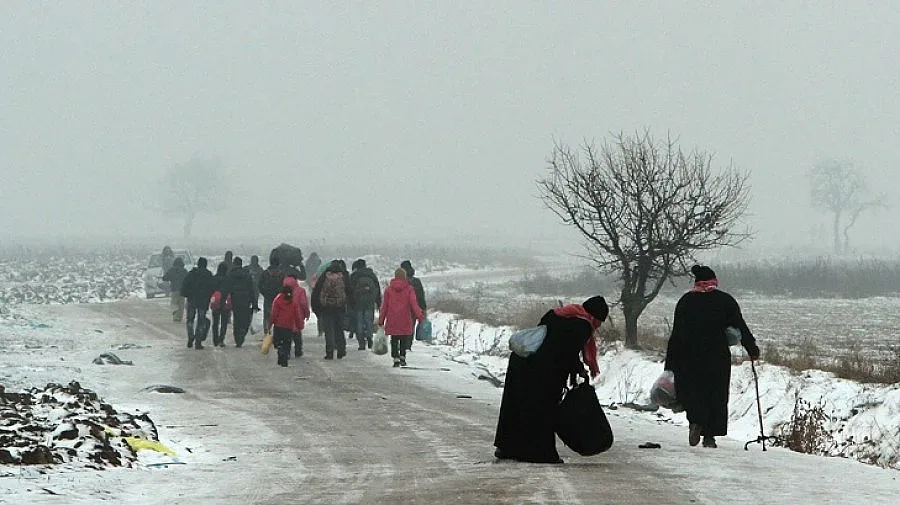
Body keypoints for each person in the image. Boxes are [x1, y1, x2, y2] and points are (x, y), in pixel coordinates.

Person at [493, 296, 609, 464]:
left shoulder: (559, 314)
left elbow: (553, 341)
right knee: (543, 410)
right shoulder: (582, 325)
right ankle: (540, 453)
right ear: (595, 316)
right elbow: (567, 352)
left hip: (523, 361)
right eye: (599, 321)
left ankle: (507, 448)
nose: (597, 326)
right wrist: (579, 370)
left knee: (515, 406)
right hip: (541, 370)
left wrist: (576, 369)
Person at [664, 265, 760, 449]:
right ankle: (709, 436)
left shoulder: (686, 301)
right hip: (717, 356)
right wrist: (751, 348)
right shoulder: (725, 301)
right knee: (715, 394)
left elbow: (676, 334)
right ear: (714, 281)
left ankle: (695, 422)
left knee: (694, 392)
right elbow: (740, 326)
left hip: (688, 357)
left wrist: (670, 364)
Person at [378, 268, 424, 367]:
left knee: (394, 339)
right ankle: (402, 356)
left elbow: (384, 306)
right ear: (404, 276)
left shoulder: (388, 290)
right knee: (404, 338)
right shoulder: (409, 289)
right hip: (405, 318)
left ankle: (395, 358)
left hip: (392, 318)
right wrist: (419, 315)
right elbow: (413, 304)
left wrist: (381, 319)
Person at [311, 260, 351, 360]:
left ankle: (329, 352)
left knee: (328, 330)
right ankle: (341, 350)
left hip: (326, 307)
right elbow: (350, 291)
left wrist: (317, 308)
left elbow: (316, 292)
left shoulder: (325, 276)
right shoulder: (343, 276)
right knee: (339, 329)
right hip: (339, 307)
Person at [179, 257, 215, 350]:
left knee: (190, 319)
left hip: (192, 300)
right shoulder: (208, 275)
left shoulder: (191, 274)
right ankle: (198, 341)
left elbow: (184, 285)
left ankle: (190, 335)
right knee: (201, 320)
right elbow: (212, 288)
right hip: (203, 301)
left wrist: (187, 294)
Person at [223, 256, 259, 347]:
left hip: (234, 299)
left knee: (237, 319)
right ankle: (242, 334)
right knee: (244, 318)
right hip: (246, 299)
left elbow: (226, 288)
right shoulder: (247, 274)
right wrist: (255, 304)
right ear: (241, 264)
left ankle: (237, 338)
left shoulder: (230, 274)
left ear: (234, 264)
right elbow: (251, 289)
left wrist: (223, 301)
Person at [270, 285, 306, 367]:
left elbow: (274, 314)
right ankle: (285, 359)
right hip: (289, 326)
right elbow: (297, 315)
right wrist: (299, 325)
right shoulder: (293, 302)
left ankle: (280, 351)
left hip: (278, 326)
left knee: (278, 342)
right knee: (287, 343)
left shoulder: (277, 300)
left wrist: (270, 323)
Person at [349, 259, 381, 350]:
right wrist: (378, 302)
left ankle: (361, 343)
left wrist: (351, 303)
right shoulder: (372, 275)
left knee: (359, 322)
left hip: (358, 303)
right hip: (370, 302)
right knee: (368, 320)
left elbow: (350, 290)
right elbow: (377, 289)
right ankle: (369, 337)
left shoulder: (354, 276)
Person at [400, 260, 426, 351]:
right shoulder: (416, 281)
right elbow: (421, 295)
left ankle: (402, 343)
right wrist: (423, 308)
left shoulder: (399, 281)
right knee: (411, 326)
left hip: (401, 308)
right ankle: (408, 345)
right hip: (414, 308)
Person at [281, 275, 310, 359]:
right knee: (297, 335)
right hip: (297, 316)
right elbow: (303, 304)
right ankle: (298, 351)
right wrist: (306, 313)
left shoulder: (282, 291)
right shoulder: (300, 291)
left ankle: (286, 351)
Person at [259, 256, 286, 335]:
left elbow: (260, 285)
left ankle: (266, 331)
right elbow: (284, 286)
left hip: (267, 296)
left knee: (267, 315)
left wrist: (264, 293)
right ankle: (276, 332)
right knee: (278, 314)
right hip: (278, 297)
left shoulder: (265, 273)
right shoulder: (282, 274)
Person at [210, 261, 231, 347]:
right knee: (224, 322)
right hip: (225, 302)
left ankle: (215, 340)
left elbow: (210, 290)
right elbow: (230, 290)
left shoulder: (214, 278)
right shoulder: (228, 279)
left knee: (215, 322)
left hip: (216, 302)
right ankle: (221, 339)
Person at [162, 257, 187, 322]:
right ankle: (180, 317)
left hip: (174, 290)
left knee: (174, 303)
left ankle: (175, 317)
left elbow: (165, 278)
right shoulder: (184, 271)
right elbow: (188, 279)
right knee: (181, 304)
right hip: (182, 290)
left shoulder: (172, 270)